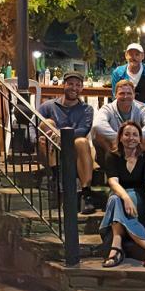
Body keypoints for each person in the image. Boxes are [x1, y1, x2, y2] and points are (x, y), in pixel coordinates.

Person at [100, 121, 145, 269]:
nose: (130, 138)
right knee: (114, 198)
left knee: (116, 199)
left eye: (135, 135)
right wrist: (125, 197)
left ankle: (116, 248)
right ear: (120, 137)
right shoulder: (112, 156)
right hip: (119, 194)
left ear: (140, 138)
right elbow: (113, 182)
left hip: (139, 197)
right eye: (126, 134)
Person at [36, 71, 96, 214]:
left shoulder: (87, 109)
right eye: (70, 84)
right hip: (50, 149)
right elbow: (33, 125)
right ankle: (57, 181)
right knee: (48, 123)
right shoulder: (47, 106)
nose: (74, 88)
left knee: (82, 141)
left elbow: (83, 130)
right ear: (64, 85)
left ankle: (86, 194)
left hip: (74, 150)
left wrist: (61, 135)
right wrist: (38, 137)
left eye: (78, 85)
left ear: (81, 88)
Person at [92, 80, 145, 161]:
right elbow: (97, 125)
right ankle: (112, 163)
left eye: (129, 93)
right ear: (115, 95)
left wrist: (135, 137)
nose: (125, 96)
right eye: (122, 93)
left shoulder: (141, 108)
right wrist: (118, 138)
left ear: (134, 95)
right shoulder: (107, 108)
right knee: (98, 135)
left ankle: (138, 164)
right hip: (114, 149)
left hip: (135, 148)